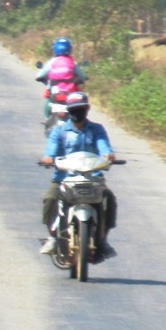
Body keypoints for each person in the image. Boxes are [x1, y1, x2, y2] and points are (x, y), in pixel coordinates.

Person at [38, 91, 118, 258]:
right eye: (73, 109)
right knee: (50, 198)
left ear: (87, 108)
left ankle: (103, 240)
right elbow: (51, 152)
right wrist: (48, 159)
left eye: (80, 108)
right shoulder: (59, 132)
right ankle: (52, 237)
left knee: (109, 199)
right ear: (68, 110)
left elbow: (104, 147)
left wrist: (108, 155)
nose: (77, 112)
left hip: (93, 179)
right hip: (64, 179)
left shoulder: (97, 129)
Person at [36, 37, 87, 124]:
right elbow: (82, 76)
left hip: (55, 92)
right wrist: (84, 78)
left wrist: (40, 77)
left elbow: (40, 75)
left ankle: (46, 119)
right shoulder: (72, 63)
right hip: (70, 93)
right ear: (69, 49)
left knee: (49, 100)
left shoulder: (52, 62)